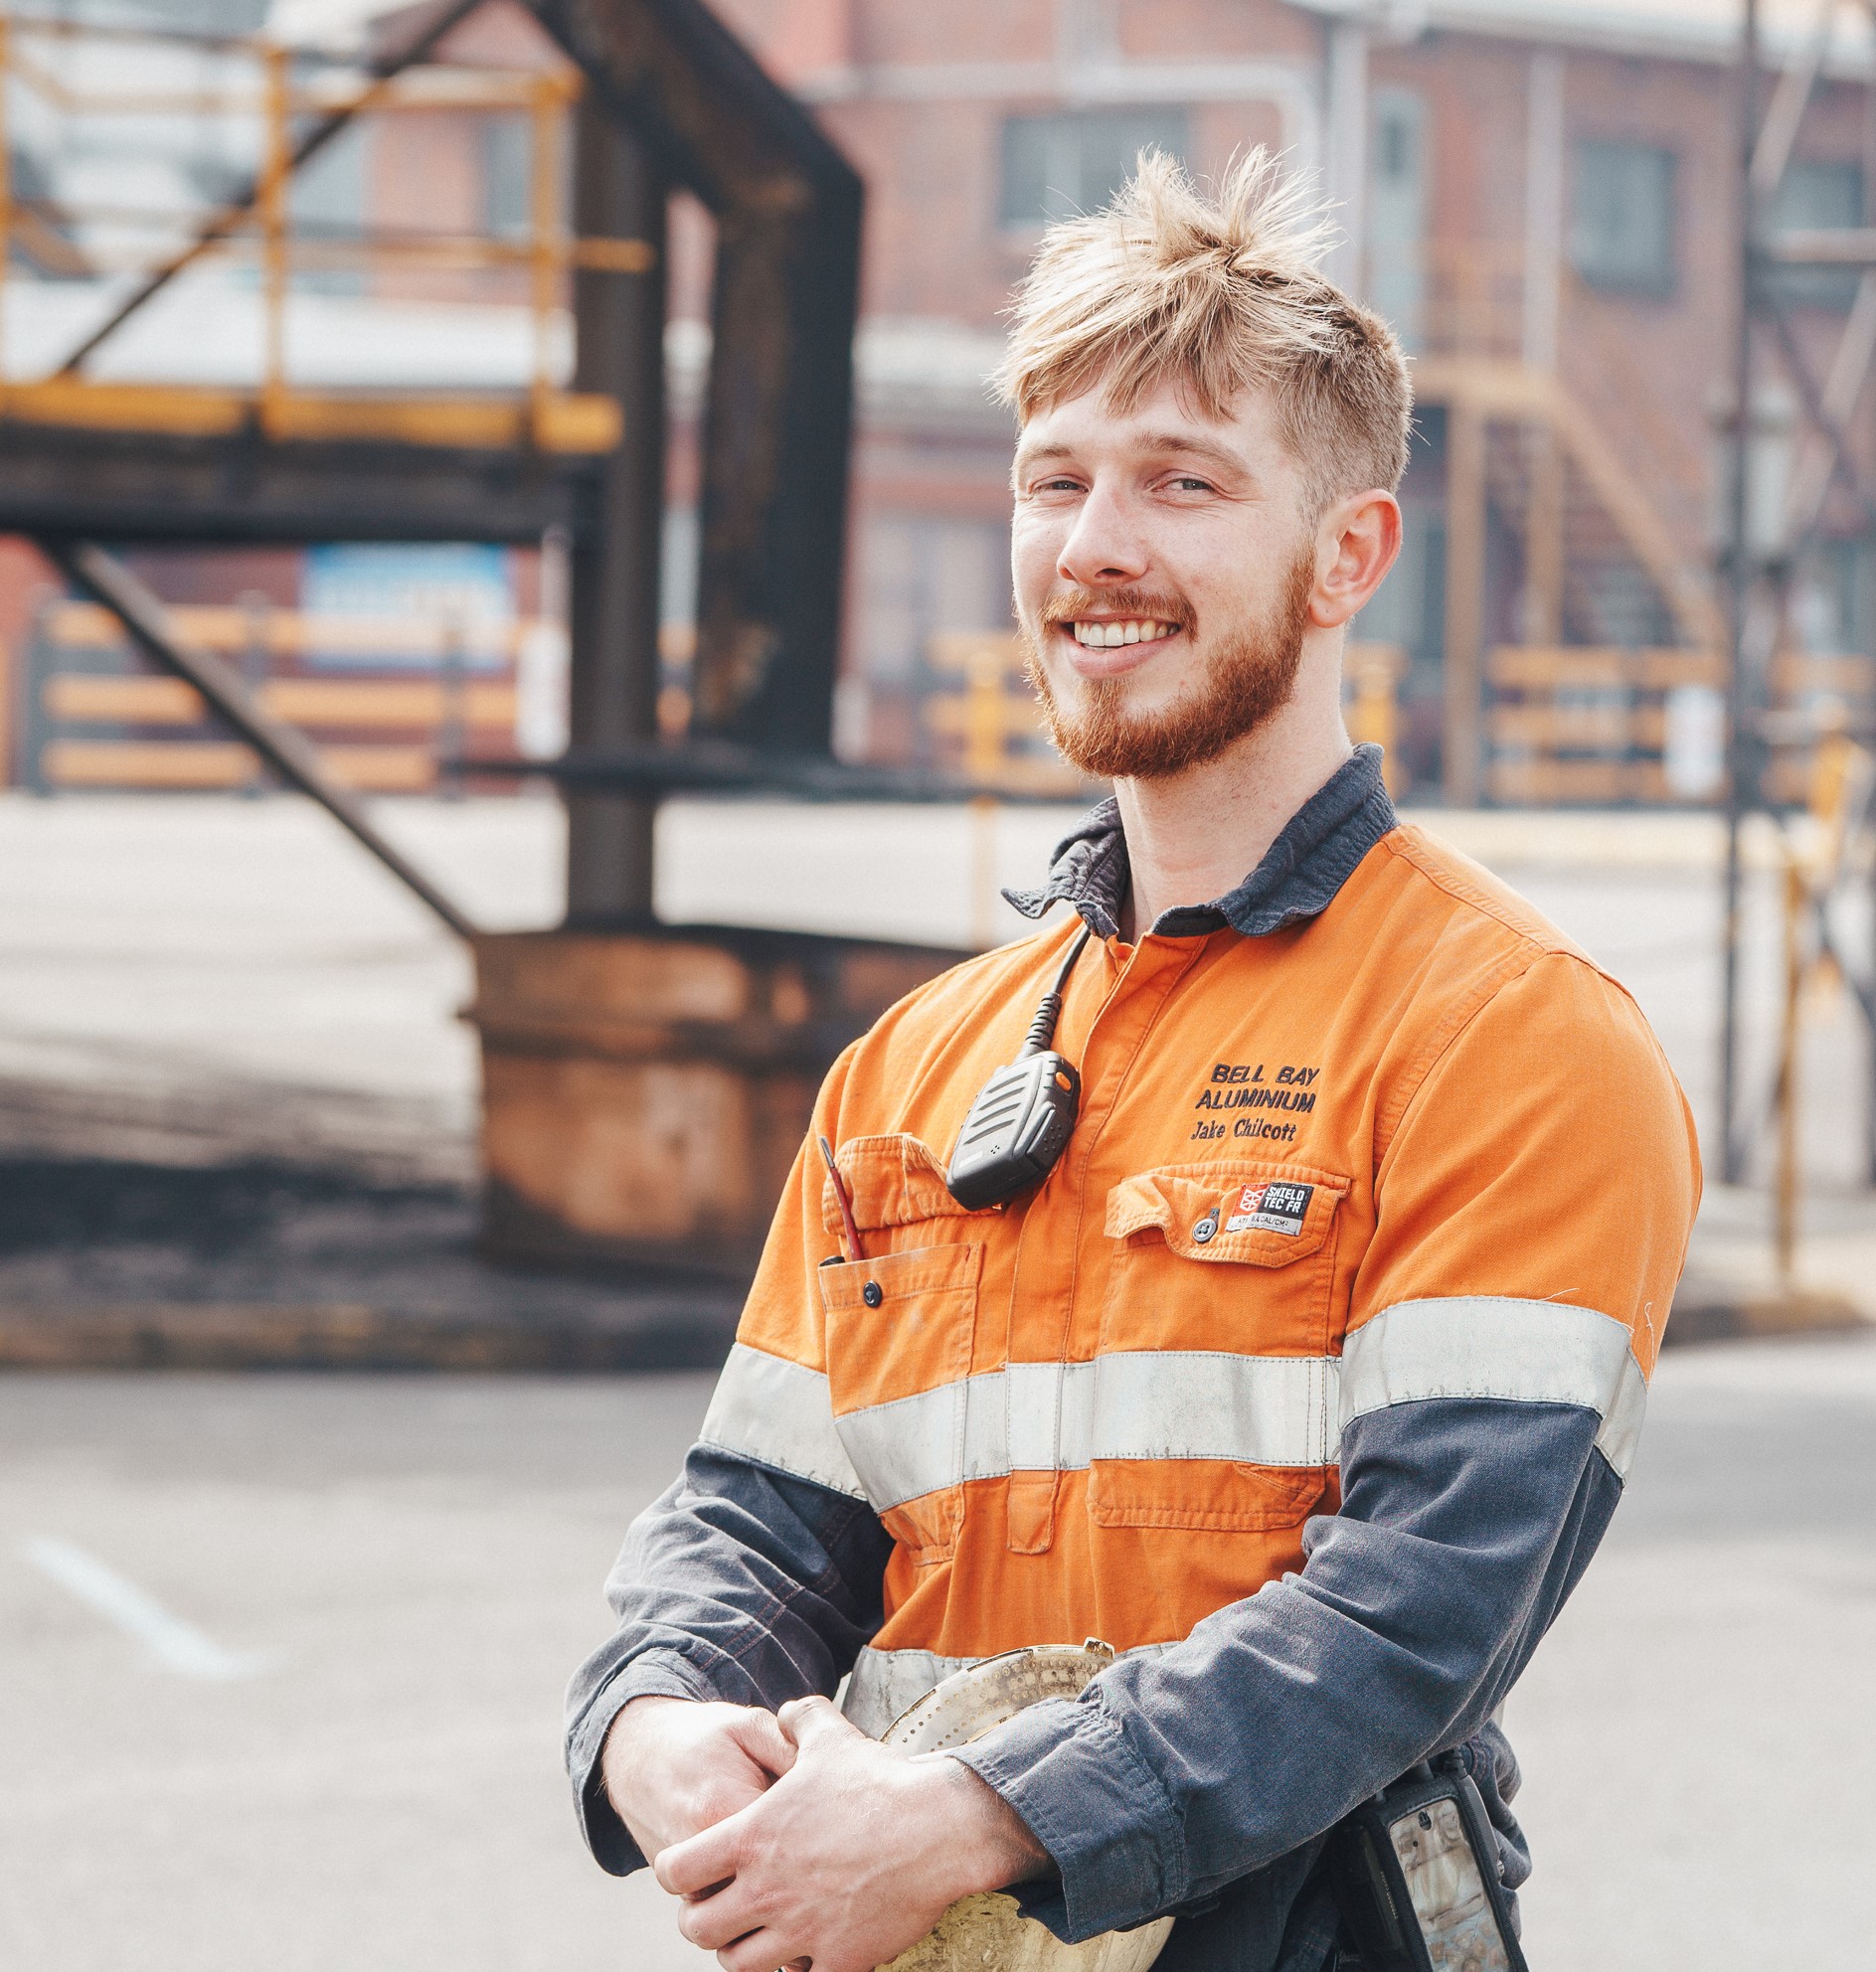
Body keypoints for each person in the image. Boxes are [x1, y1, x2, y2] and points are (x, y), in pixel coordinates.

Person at [565, 150, 1700, 1972]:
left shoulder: (1508, 1034)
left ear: (1351, 554)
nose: (1096, 546)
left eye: (1184, 481)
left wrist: (966, 1820)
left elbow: (1420, 1611)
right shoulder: (909, 1071)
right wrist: (659, 1727)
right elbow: (751, 1522)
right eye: (1054, 480)